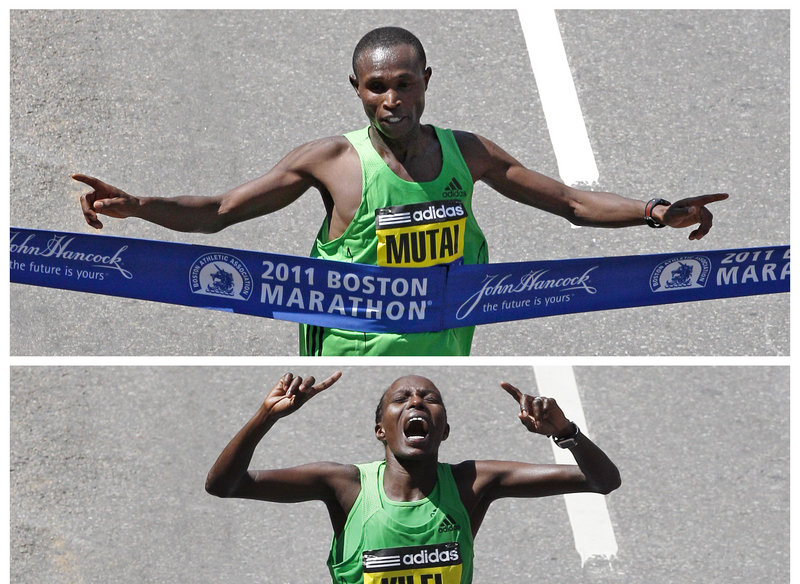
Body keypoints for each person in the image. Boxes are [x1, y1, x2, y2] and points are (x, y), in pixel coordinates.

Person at [73, 26, 727, 356]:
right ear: (356, 89)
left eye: (404, 84)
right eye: (376, 87)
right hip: (352, 359)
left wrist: (655, 212)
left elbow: (569, 203)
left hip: (448, 350)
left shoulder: (465, 153)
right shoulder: (330, 161)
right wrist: (137, 205)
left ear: (426, 80)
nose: (391, 99)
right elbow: (218, 213)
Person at [205, 371, 621, 584]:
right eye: (401, 398)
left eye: (429, 399)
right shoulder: (345, 487)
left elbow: (602, 481)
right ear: (380, 429)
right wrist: (266, 415)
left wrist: (566, 433)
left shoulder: (471, 483)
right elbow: (225, 485)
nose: (416, 402)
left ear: (445, 430)